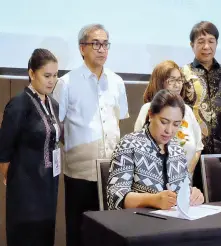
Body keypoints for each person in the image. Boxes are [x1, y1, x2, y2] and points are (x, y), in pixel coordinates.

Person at [52, 24, 128, 246]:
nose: (102, 49)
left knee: (108, 233)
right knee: (78, 231)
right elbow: (59, 125)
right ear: (82, 48)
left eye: (105, 44)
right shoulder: (66, 83)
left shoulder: (117, 82)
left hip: (111, 171)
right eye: (96, 44)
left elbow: (118, 121)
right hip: (79, 173)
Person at [0, 48, 60, 246]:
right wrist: (14, 179)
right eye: (46, 76)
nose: (51, 81)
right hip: (25, 187)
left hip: (49, 185)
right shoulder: (18, 104)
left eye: (55, 75)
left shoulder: (53, 104)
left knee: (45, 236)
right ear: (32, 73)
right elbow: (5, 150)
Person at [107, 90, 204, 210]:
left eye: (176, 124)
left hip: (174, 222)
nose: (169, 130)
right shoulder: (129, 145)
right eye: (164, 122)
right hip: (138, 222)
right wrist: (152, 200)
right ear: (151, 115)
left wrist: (193, 194)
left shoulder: (177, 149)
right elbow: (114, 197)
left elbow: (184, 189)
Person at [181, 21, 221, 154]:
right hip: (191, 152)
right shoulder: (183, 74)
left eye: (211, 41)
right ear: (192, 45)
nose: (206, 46)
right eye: (201, 41)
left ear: (217, 44)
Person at [134, 60, 203, 180]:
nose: (177, 85)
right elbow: (138, 148)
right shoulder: (148, 109)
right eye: (171, 80)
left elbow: (198, 147)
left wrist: (186, 175)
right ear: (159, 82)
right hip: (153, 183)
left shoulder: (187, 110)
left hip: (184, 183)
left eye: (179, 80)